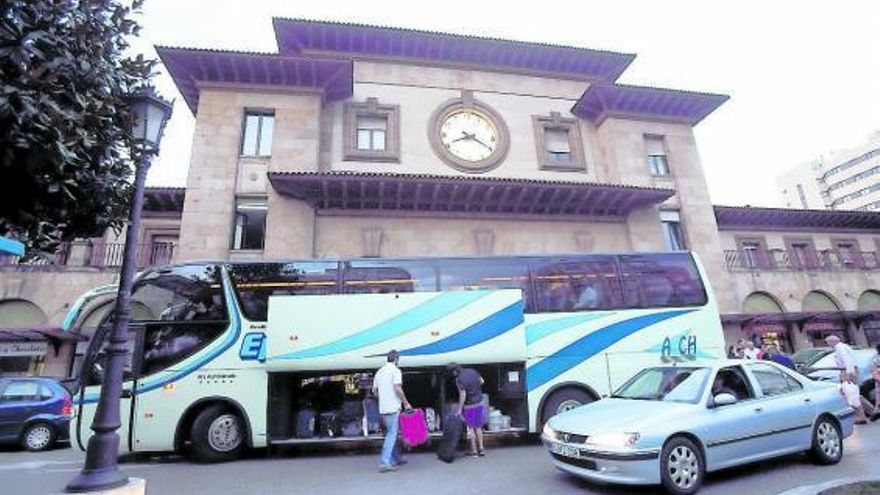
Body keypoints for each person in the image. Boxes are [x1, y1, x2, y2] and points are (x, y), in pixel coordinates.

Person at [372, 350, 412, 472]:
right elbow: (397, 388)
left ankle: (396, 458)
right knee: (391, 435)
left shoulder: (379, 371)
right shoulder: (395, 370)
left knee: (392, 433)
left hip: (383, 409)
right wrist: (406, 403)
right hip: (393, 408)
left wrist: (383, 398)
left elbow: (374, 391)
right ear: (396, 359)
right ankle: (384, 462)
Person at [448, 363, 486, 457]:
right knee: (478, 427)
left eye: (452, 373)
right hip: (479, 402)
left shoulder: (459, 379)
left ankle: (474, 451)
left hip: (469, 405)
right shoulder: (472, 371)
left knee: (471, 428)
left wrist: (460, 409)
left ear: (455, 371)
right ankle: (481, 449)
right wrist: (475, 389)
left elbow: (463, 395)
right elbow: (482, 381)